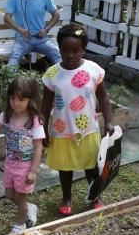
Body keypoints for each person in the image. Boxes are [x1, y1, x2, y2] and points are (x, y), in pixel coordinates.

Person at [41, 25, 112, 216]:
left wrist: (109, 121)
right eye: (65, 50)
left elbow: (104, 97)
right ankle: (66, 197)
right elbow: (45, 106)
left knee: (91, 166)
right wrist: (43, 129)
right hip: (62, 131)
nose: (70, 55)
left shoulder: (93, 70)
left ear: (83, 50)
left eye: (76, 50)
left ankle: (95, 195)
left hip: (88, 130)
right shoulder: (52, 75)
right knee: (66, 169)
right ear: (59, 49)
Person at [0, 75, 44, 234]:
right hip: (10, 164)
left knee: (21, 197)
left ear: (30, 99)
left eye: (21, 99)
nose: (16, 103)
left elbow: (38, 147)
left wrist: (33, 171)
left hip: (25, 167)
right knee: (10, 195)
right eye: (12, 98)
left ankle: (21, 224)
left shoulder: (34, 121)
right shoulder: (6, 115)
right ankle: (28, 208)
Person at [4, 0, 62, 68]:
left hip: (41, 39)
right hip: (22, 39)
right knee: (14, 56)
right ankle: (9, 82)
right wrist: (20, 30)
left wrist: (46, 29)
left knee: (57, 54)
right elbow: (6, 18)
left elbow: (56, 14)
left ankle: (64, 80)